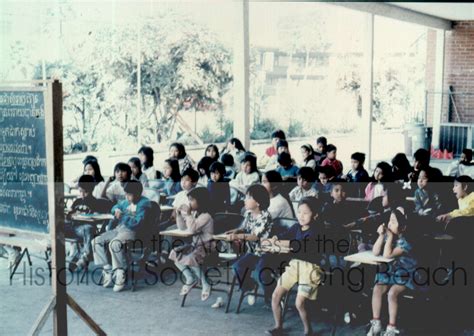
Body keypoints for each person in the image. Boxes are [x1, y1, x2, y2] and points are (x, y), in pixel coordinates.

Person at [267, 197, 324, 336]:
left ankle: (308, 330)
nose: (301, 216)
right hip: (294, 266)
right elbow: (283, 235)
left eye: (306, 213)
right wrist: (275, 238)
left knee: (299, 303)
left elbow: (299, 245)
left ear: (315, 215)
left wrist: (280, 244)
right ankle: (278, 326)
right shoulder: (297, 226)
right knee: (275, 296)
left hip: (310, 268)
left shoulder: (316, 230)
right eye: (299, 212)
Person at [92, 181, 152, 292]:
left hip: (133, 231)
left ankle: (120, 272)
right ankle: (108, 269)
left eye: (130, 194)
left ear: (138, 193)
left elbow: (137, 224)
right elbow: (115, 206)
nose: (127, 197)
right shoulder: (125, 202)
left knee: (114, 244)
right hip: (119, 229)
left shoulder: (144, 204)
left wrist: (123, 216)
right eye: (126, 194)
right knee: (96, 241)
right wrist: (116, 210)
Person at [367, 207, 416, 336]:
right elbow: (376, 251)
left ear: (403, 228)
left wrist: (388, 237)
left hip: (406, 275)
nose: (389, 224)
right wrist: (382, 235)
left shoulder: (405, 242)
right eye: (389, 220)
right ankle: (376, 324)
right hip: (390, 273)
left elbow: (388, 255)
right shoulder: (389, 238)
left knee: (392, 293)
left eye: (393, 221)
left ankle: (391, 328)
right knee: (377, 288)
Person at [226, 184, 272, 305]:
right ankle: (251, 288)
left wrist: (237, 236)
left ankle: (273, 295)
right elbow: (244, 228)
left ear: (258, 202)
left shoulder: (265, 216)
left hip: (266, 253)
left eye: (248, 197)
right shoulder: (249, 214)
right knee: (237, 267)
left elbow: (255, 236)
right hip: (252, 252)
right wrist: (237, 231)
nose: (244, 200)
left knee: (260, 273)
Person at [169, 187, 214, 301]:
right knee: (175, 253)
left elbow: (192, 229)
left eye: (192, 200)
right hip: (196, 245)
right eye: (189, 200)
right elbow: (183, 227)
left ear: (201, 201)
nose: (189, 203)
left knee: (191, 258)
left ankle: (205, 283)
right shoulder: (195, 214)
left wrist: (188, 214)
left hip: (206, 246)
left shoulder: (206, 216)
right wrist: (179, 214)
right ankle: (190, 278)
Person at [66, 175, 109, 271]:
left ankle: (84, 256)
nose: (83, 194)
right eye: (81, 191)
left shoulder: (96, 202)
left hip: (83, 229)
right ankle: (51, 249)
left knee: (88, 228)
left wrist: (95, 214)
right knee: (56, 225)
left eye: (85, 192)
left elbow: (99, 217)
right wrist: (70, 215)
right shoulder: (77, 201)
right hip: (72, 227)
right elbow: (69, 215)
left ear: (91, 190)